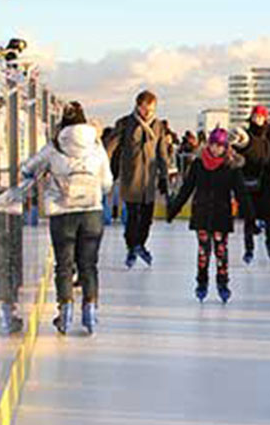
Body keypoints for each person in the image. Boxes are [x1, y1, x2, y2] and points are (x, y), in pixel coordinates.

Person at [22, 101, 113, 335]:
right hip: (91, 212)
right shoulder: (96, 145)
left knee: (64, 265)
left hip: (62, 212)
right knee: (88, 264)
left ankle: (65, 311)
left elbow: (29, 168)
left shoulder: (55, 145)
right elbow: (106, 183)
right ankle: (90, 310)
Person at [167, 128, 252, 304]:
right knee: (203, 252)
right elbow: (186, 189)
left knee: (221, 252)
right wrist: (174, 210)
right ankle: (201, 283)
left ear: (225, 146)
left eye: (219, 146)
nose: (215, 149)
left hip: (221, 215)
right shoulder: (198, 164)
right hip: (202, 214)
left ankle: (222, 284)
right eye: (212, 144)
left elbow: (241, 193)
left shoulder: (231, 166)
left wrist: (250, 216)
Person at [105, 90, 171, 269]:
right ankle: (131, 246)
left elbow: (162, 153)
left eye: (151, 109)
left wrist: (164, 176)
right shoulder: (126, 123)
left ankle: (140, 244)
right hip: (131, 177)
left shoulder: (157, 126)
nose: (148, 113)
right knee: (133, 216)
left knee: (147, 218)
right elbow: (111, 146)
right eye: (145, 109)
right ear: (138, 106)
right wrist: (104, 166)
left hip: (149, 179)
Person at [238, 105, 270, 265]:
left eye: (260, 116)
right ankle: (249, 249)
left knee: (269, 218)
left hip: (267, 182)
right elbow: (241, 150)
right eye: (255, 116)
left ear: (265, 118)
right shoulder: (247, 134)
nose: (257, 119)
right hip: (250, 179)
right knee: (249, 218)